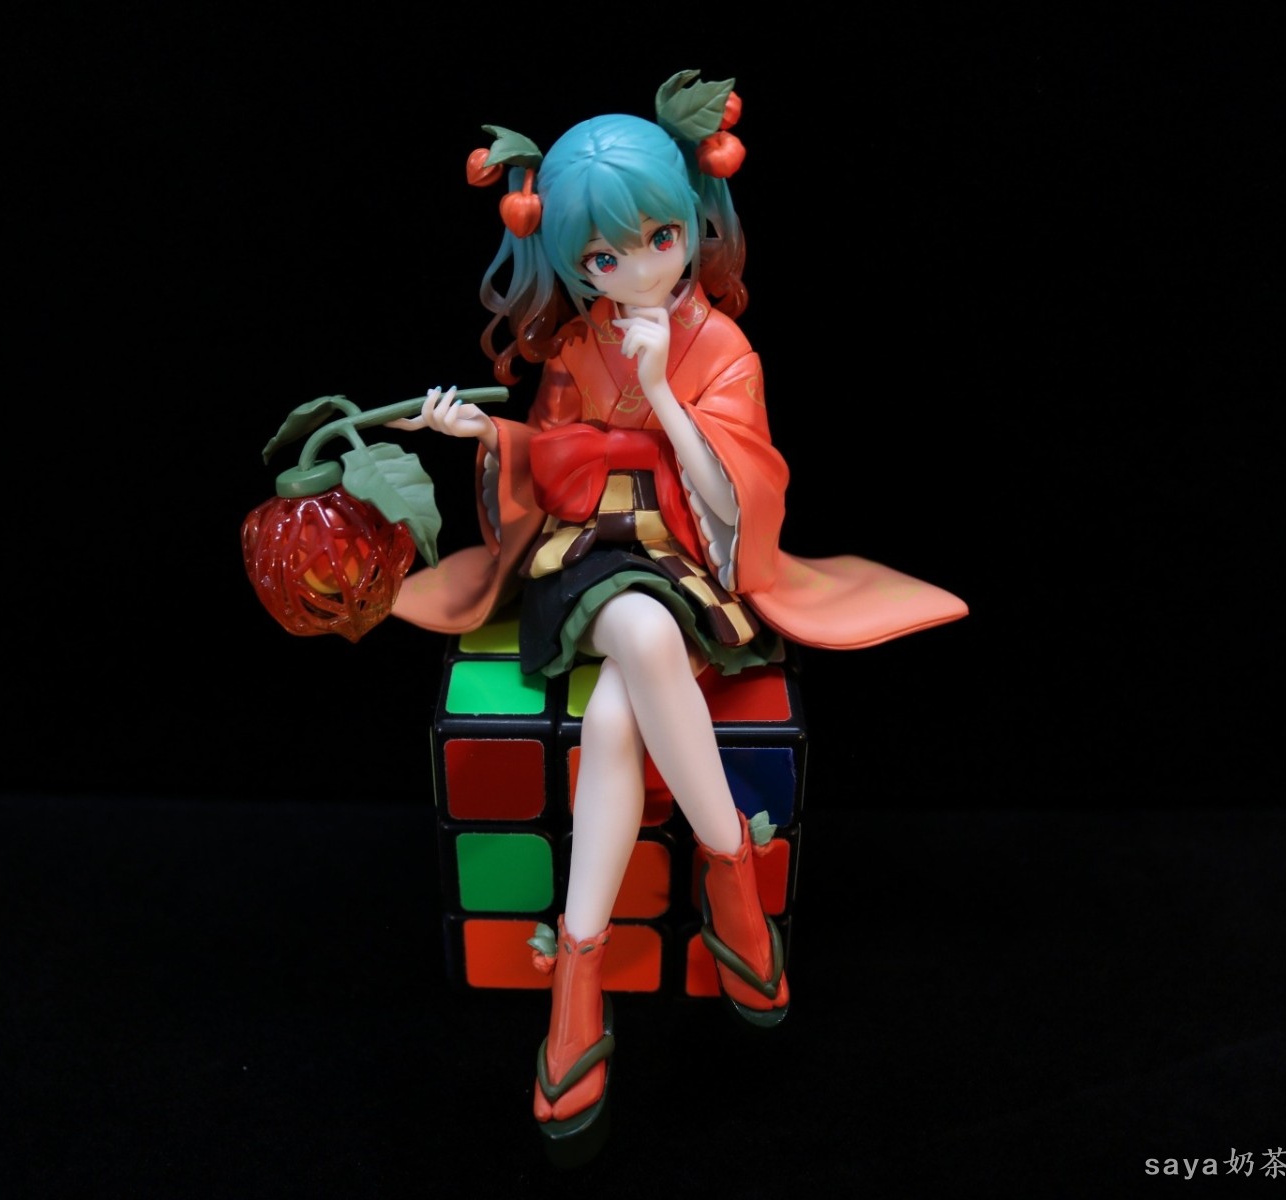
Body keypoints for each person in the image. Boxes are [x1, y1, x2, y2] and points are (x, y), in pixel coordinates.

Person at [386, 72, 966, 1162]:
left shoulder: (725, 350)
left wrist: (660, 392)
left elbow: (736, 500)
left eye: (660, 238)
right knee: (643, 634)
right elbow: (549, 470)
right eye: (605, 258)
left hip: (690, 558)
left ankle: (578, 982)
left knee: (616, 716)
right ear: (575, 264)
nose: (640, 269)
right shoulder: (573, 347)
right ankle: (728, 870)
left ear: (695, 221)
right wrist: (484, 437)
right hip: (585, 560)